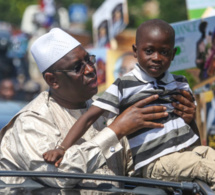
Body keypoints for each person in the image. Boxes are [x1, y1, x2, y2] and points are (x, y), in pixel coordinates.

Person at [0, 27, 196, 189]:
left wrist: (186, 121)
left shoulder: (106, 110)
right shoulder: (31, 122)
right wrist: (116, 131)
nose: (90, 69)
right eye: (78, 67)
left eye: (89, 59)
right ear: (53, 80)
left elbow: (141, 167)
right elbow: (60, 177)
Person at [43, 19, 214, 189]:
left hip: (188, 155)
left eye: (164, 52)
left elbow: (191, 132)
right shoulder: (124, 85)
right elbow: (89, 117)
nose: (156, 58)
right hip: (158, 162)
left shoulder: (180, 83)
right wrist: (62, 148)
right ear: (135, 51)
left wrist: (191, 123)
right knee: (208, 170)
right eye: (149, 51)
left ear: (173, 54)